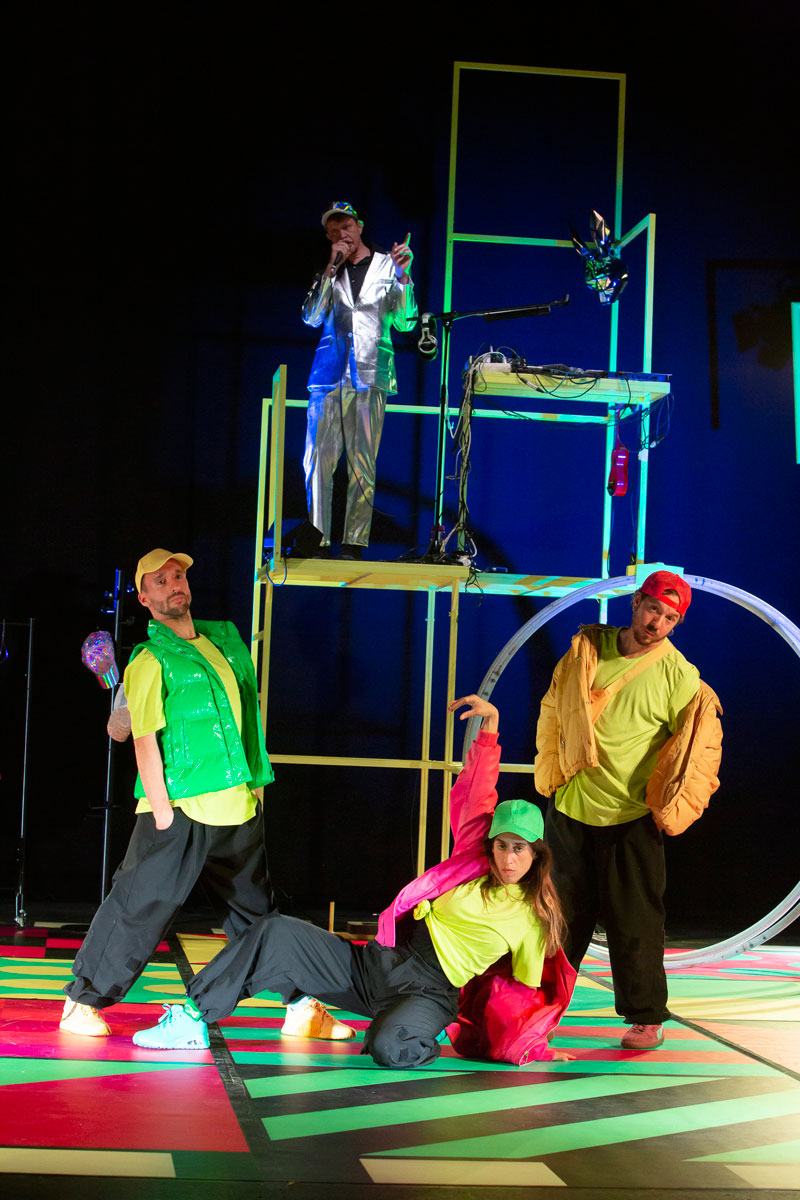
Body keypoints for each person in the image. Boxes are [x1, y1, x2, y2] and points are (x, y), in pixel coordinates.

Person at [130, 695, 576, 1067]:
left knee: (389, 1047)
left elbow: (525, 992)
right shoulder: (473, 862)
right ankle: (193, 1019)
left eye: (520, 849)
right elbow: (476, 795)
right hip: (375, 964)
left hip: (427, 990)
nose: (508, 857)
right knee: (275, 932)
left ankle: (418, 1030)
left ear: (537, 853)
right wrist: (489, 729)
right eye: (502, 845)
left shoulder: (531, 918)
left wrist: (533, 1045)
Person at [61, 548, 344, 1042]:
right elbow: (141, 739)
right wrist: (163, 814)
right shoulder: (149, 659)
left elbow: (242, 721)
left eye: (178, 576)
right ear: (144, 598)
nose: (174, 585)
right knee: (140, 906)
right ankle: (82, 1001)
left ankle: (301, 1007)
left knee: (258, 916)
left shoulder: (224, 643)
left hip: (236, 805)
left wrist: (252, 789)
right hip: (179, 807)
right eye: (160, 580)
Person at [535, 570, 723, 1050]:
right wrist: (551, 771)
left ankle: (645, 1017)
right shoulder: (587, 650)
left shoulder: (678, 674)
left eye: (670, 617)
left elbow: (701, 744)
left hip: (631, 815)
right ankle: (539, 1009)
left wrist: (677, 805)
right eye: (653, 609)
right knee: (556, 918)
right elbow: (553, 709)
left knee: (635, 920)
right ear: (636, 602)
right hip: (572, 806)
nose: (657, 623)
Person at [301, 201, 418, 560]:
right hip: (329, 376)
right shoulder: (329, 272)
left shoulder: (387, 265)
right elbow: (311, 317)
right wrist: (329, 269)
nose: (342, 234)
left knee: (362, 462)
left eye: (347, 226)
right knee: (317, 460)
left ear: (360, 226)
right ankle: (317, 539)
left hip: (371, 373)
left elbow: (406, 321)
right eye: (334, 230)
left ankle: (354, 541)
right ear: (328, 236)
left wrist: (403, 277)